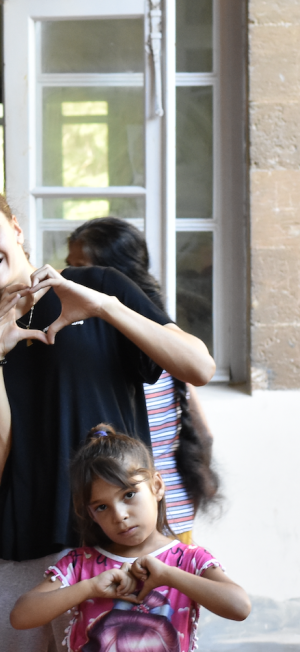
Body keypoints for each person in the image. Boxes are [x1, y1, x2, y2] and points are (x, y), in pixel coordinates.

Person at [0, 180, 215, 652]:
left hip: (116, 545)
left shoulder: (100, 286)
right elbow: (3, 468)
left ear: (16, 228)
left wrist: (103, 305)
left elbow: (199, 365)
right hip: (23, 545)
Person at [9, 425, 248, 652]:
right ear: (89, 514)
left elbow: (239, 606)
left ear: (157, 486)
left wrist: (169, 576)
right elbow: (22, 615)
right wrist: (89, 588)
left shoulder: (188, 561)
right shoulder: (82, 564)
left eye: (129, 495)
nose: (119, 514)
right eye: (101, 507)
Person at [65, 218, 220, 541]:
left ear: (114, 277)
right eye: (69, 267)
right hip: (145, 513)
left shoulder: (142, 349)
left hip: (150, 521)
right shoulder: (159, 339)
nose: (70, 279)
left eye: (81, 268)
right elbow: (205, 435)